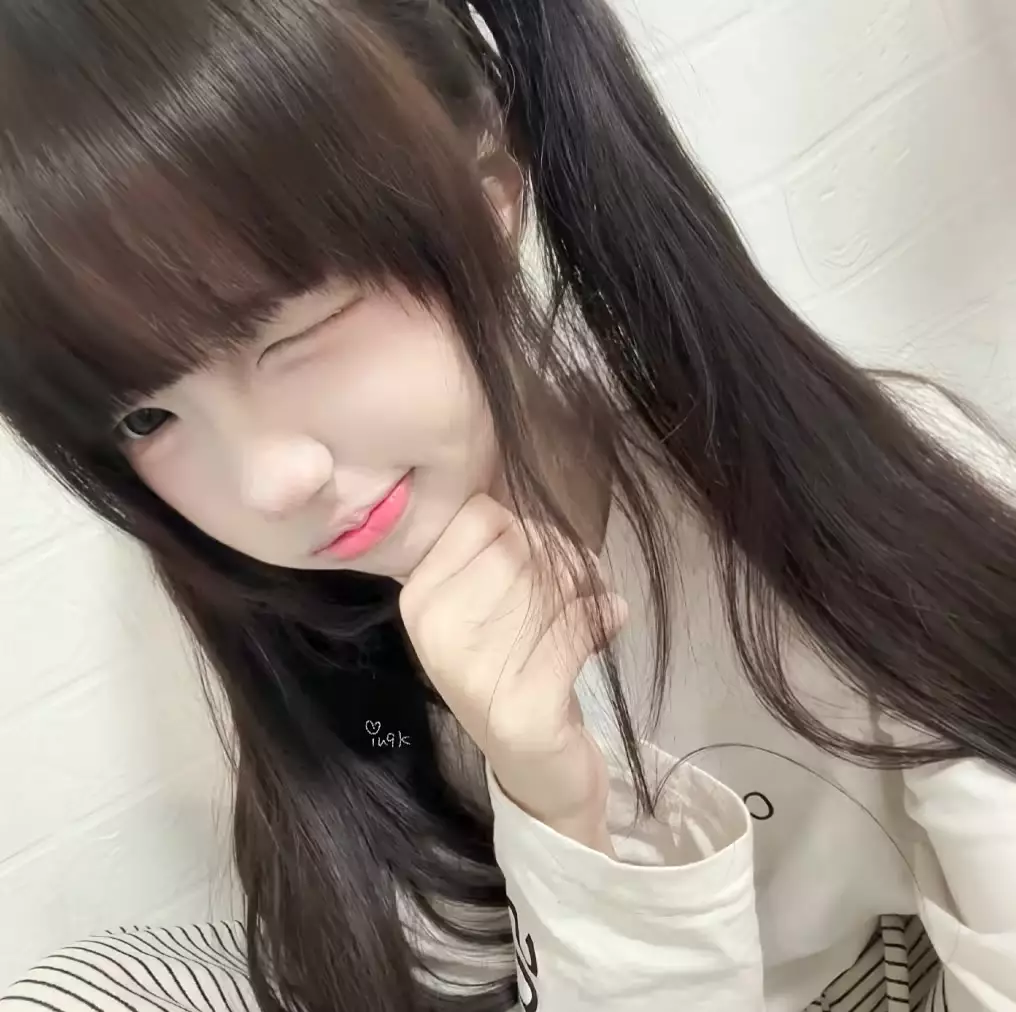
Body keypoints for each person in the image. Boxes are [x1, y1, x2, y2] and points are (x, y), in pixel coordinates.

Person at [0, 1, 1014, 1011]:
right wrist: (556, 808)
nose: (267, 484)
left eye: (292, 331)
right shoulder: (341, 691)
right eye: (144, 417)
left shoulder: (851, 511)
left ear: (488, 201)